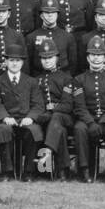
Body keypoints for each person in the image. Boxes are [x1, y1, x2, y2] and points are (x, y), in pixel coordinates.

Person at [72, 36, 105, 183]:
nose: (96, 59)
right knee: (79, 129)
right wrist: (90, 122)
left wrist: (102, 122)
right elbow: (79, 106)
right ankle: (84, 169)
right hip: (87, 119)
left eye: (99, 55)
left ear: (104, 58)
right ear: (88, 58)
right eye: (93, 55)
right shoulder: (79, 79)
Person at [0, 43, 44, 181]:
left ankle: (29, 172)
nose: (14, 63)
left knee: (34, 131)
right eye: (11, 60)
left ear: (22, 62)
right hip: (7, 120)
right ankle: (8, 172)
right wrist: (4, 117)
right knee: (4, 130)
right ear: (6, 61)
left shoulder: (31, 82)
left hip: (25, 119)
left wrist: (31, 118)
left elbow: (38, 105)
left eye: (17, 60)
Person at [34, 38, 76, 180]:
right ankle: (62, 171)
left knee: (56, 119)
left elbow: (68, 105)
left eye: (50, 57)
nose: (47, 61)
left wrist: (52, 111)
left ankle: (47, 153)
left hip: (65, 117)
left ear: (57, 58)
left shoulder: (66, 78)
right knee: (60, 131)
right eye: (44, 58)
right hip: (48, 119)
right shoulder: (36, 79)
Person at [27, 0, 77, 76]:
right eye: (46, 12)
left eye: (53, 12)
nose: (50, 15)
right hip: (39, 78)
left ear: (57, 14)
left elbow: (73, 63)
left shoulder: (68, 37)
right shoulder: (31, 37)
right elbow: (29, 64)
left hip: (62, 79)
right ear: (41, 15)